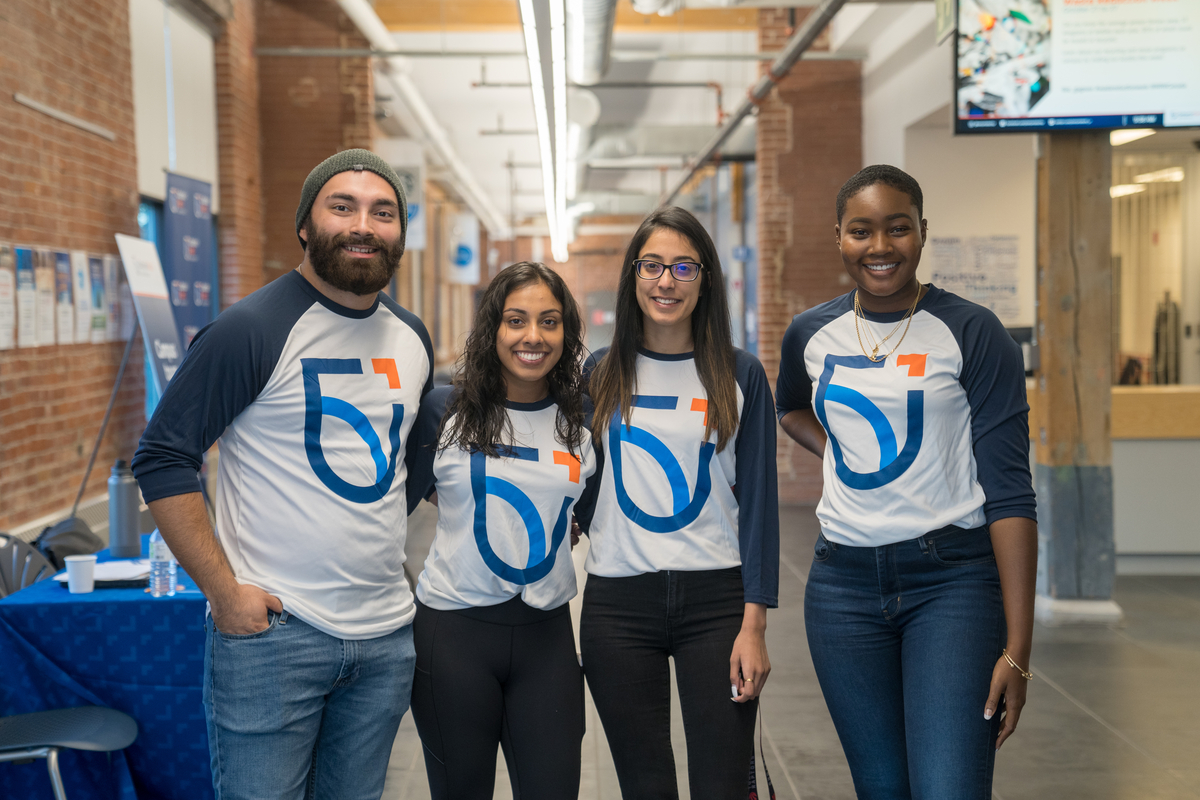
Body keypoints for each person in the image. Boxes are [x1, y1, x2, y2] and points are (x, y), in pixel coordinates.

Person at [132, 149, 433, 800]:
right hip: (276, 637)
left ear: (400, 234)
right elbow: (162, 458)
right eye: (342, 206)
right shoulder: (251, 329)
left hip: (384, 639)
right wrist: (224, 592)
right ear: (305, 225)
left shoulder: (412, 339)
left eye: (384, 213)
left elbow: (399, 471)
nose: (364, 225)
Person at [775, 164, 1038, 799]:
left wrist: (1019, 648)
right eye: (861, 231)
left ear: (922, 233)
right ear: (839, 237)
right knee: (882, 789)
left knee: (948, 787)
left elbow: (1010, 492)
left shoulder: (975, 333)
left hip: (951, 583)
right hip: (841, 589)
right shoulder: (810, 332)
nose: (880, 247)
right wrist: (840, 448)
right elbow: (789, 406)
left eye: (898, 229)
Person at [575, 206, 780, 799]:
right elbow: (584, 480)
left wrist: (755, 622)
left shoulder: (739, 374)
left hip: (717, 603)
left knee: (720, 786)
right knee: (646, 787)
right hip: (618, 605)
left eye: (683, 267)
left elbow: (761, 506)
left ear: (704, 278)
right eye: (653, 265)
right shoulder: (601, 372)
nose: (667, 281)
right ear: (633, 276)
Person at [404, 261, 595, 800]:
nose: (533, 336)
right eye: (516, 320)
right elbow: (399, 499)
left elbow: (593, 506)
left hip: (547, 640)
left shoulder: (580, 417)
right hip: (452, 639)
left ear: (566, 334)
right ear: (493, 330)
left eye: (549, 321)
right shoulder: (444, 410)